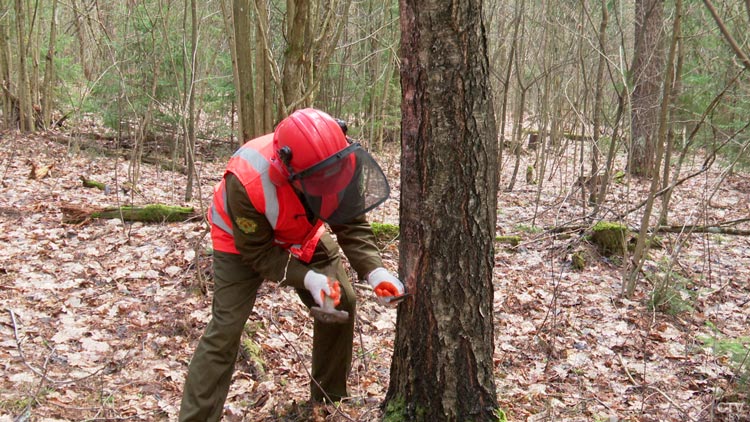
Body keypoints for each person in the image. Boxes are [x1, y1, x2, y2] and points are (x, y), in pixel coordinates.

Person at [179, 108, 405, 421]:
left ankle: (328, 400)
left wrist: (375, 270)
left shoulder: (339, 159)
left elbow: (351, 222)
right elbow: (258, 254)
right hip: (241, 243)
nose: (330, 184)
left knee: (341, 299)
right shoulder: (247, 181)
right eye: (319, 181)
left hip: (302, 232)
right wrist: (308, 279)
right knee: (225, 330)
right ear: (288, 170)